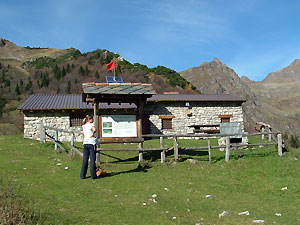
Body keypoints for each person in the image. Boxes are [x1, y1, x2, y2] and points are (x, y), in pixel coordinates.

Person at [80, 115, 98, 179]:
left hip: (85, 143)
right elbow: (94, 130)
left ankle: (82, 175)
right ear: (90, 119)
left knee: (85, 160)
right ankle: (93, 175)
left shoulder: (84, 126)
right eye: (92, 119)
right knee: (92, 160)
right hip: (91, 143)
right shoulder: (91, 125)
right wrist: (92, 134)